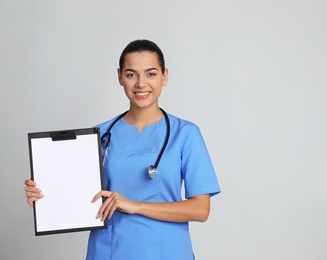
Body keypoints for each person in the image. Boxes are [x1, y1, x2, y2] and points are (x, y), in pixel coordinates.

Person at [24, 39, 221, 260]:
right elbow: (78, 194)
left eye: (151, 74)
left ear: (165, 76)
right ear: (120, 77)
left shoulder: (185, 134)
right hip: (109, 250)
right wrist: (45, 195)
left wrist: (135, 205)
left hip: (167, 250)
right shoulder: (97, 135)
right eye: (131, 74)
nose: (140, 83)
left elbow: (200, 210)